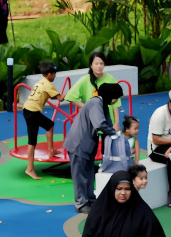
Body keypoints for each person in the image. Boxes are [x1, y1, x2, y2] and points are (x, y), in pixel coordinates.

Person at [63, 82, 123, 214]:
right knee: (80, 175)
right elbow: (100, 124)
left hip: (88, 144)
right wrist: (115, 135)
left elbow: (107, 123)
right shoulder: (96, 103)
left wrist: (114, 134)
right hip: (78, 143)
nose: (117, 100)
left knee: (89, 173)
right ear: (110, 96)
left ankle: (89, 198)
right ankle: (81, 203)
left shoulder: (103, 104)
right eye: (116, 97)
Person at [21, 61, 60, 180]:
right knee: (32, 141)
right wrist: (72, 93)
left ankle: (51, 150)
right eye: (54, 74)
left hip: (29, 109)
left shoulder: (41, 81)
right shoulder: (48, 84)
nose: (55, 76)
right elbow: (59, 98)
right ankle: (30, 169)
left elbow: (52, 96)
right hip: (32, 112)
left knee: (49, 125)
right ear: (49, 74)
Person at [67, 51, 121, 118]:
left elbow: (116, 102)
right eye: (96, 64)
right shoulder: (85, 80)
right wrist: (86, 107)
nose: (99, 66)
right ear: (91, 65)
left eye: (101, 63)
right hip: (92, 120)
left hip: (108, 120)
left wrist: (117, 122)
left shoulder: (110, 79)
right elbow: (70, 96)